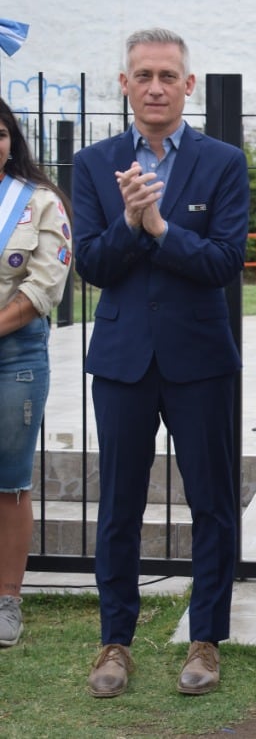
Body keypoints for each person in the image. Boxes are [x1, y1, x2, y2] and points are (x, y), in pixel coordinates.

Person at [73, 28, 249, 697]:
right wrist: (127, 221)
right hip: (122, 359)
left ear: (188, 86)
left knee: (212, 500)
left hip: (199, 358)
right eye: (142, 74)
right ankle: (114, 640)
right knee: (119, 503)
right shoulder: (94, 164)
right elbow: (90, 263)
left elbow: (224, 262)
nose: (154, 87)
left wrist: (159, 229)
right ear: (124, 83)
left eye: (167, 76)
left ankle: (205, 635)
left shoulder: (222, 162)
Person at [0, 98, 73, 649]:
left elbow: (44, 286)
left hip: (15, 355)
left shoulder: (40, 203)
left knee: (9, 484)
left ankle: (7, 601)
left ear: (12, 140)